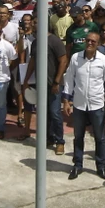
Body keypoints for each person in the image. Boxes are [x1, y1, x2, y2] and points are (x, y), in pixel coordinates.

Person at [62, 30, 105, 180]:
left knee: (99, 138)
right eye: (87, 40)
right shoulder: (76, 58)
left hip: (97, 105)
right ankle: (77, 165)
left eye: (93, 41)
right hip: (79, 105)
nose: (90, 43)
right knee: (78, 136)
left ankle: (101, 167)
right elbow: (68, 80)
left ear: (98, 44)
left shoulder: (104, 60)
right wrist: (66, 100)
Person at [23, 17, 68, 154]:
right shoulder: (36, 42)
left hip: (53, 85)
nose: (32, 24)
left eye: (35, 22)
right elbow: (32, 61)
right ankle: (49, 138)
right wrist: (26, 80)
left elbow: (63, 61)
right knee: (44, 113)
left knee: (55, 113)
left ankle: (60, 142)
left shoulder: (54, 41)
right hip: (40, 85)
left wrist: (56, 82)